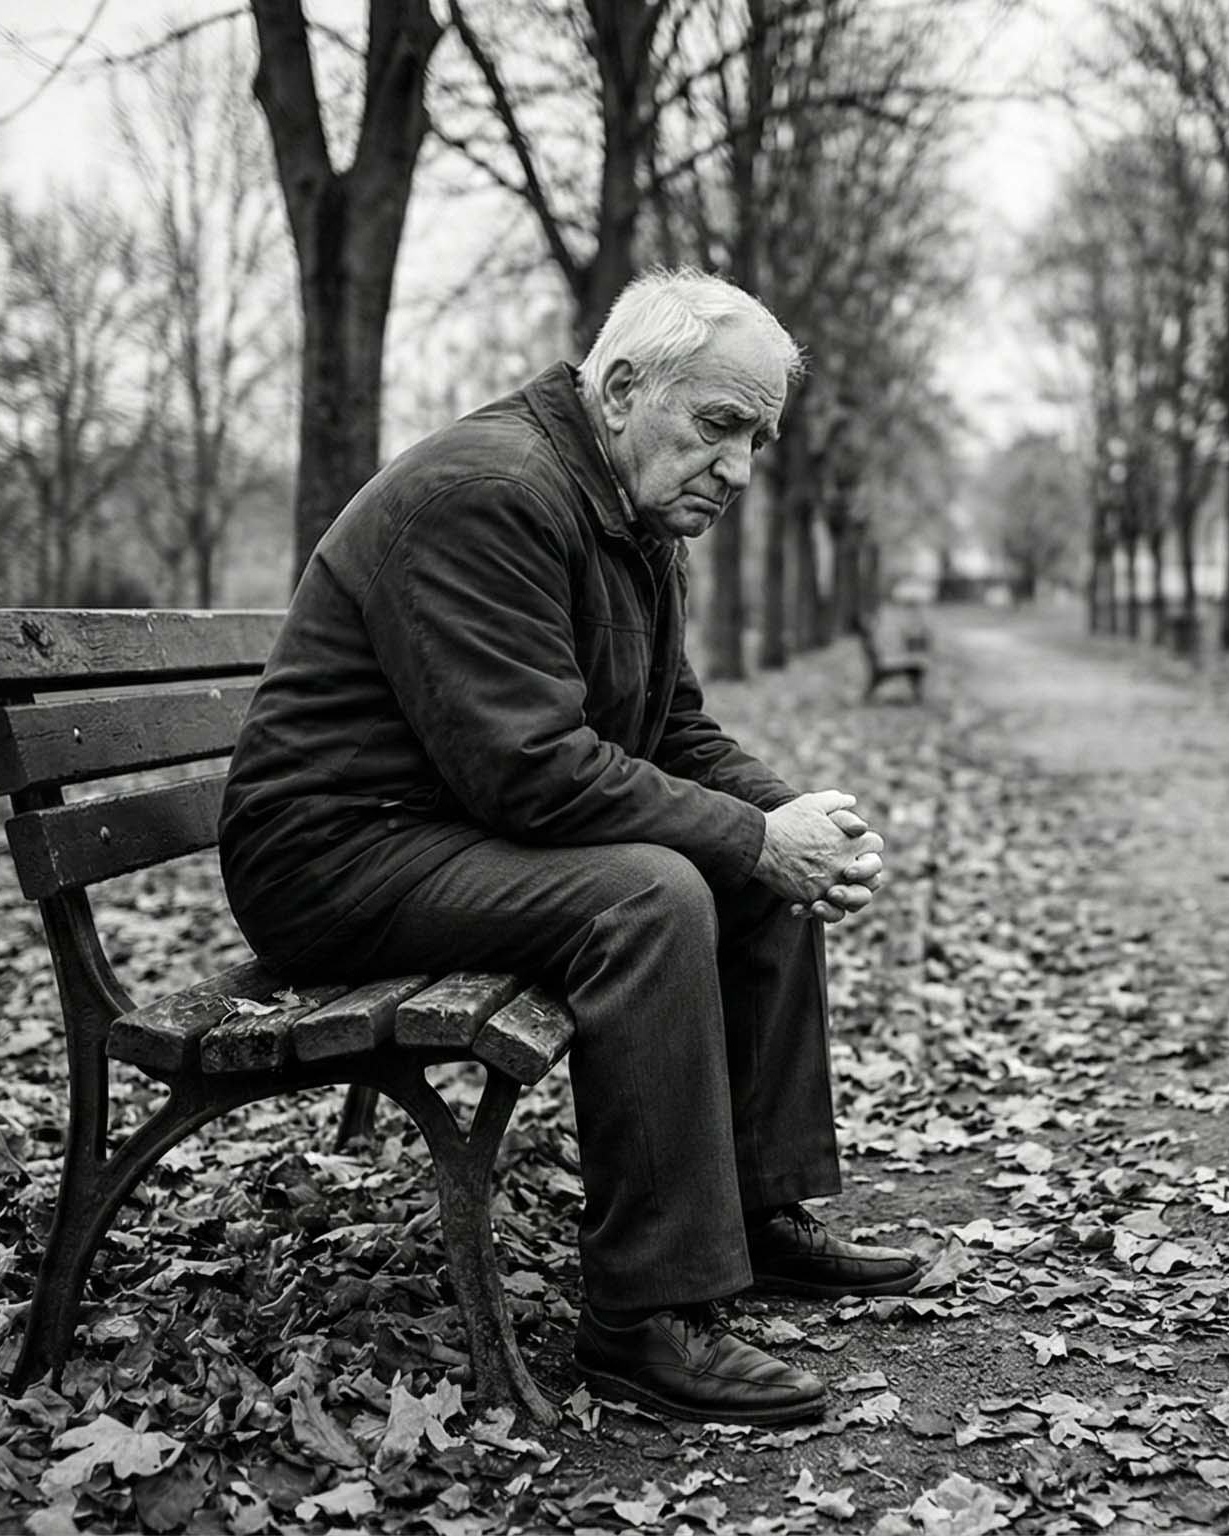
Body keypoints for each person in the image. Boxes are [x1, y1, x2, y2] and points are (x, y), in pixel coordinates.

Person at [219, 268, 929, 1426]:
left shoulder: (632, 515)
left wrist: (789, 820)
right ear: (621, 386)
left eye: (757, 438)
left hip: (445, 830)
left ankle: (758, 1213)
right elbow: (531, 769)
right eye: (718, 427)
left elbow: (677, 731)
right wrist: (752, 838)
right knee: (649, 893)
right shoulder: (488, 493)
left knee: (744, 875)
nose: (740, 469)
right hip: (335, 859)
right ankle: (644, 1319)